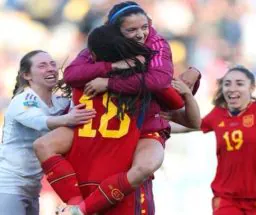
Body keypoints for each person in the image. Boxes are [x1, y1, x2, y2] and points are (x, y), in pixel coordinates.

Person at [34, 2, 200, 215]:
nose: (141, 34)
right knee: (43, 145)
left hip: (137, 129)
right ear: (115, 33)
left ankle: (79, 209)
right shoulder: (100, 53)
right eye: (132, 30)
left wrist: (186, 92)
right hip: (95, 127)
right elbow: (71, 75)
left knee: (143, 167)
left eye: (144, 27)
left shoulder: (154, 49)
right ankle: (76, 205)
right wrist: (113, 67)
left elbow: (173, 98)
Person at [0, 50, 96, 215]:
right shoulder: (23, 99)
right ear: (27, 75)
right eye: (42, 66)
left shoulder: (60, 103)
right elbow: (39, 121)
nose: (51, 68)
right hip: (9, 184)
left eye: (53, 64)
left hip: (33, 187)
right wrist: (68, 119)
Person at [167, 65, 256, 215]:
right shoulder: (218, 114)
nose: (232, 88)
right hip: (227, 198)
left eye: (239, 84)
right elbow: (190, 126)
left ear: (251, 87)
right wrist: (154, 127)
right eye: (227, 84)